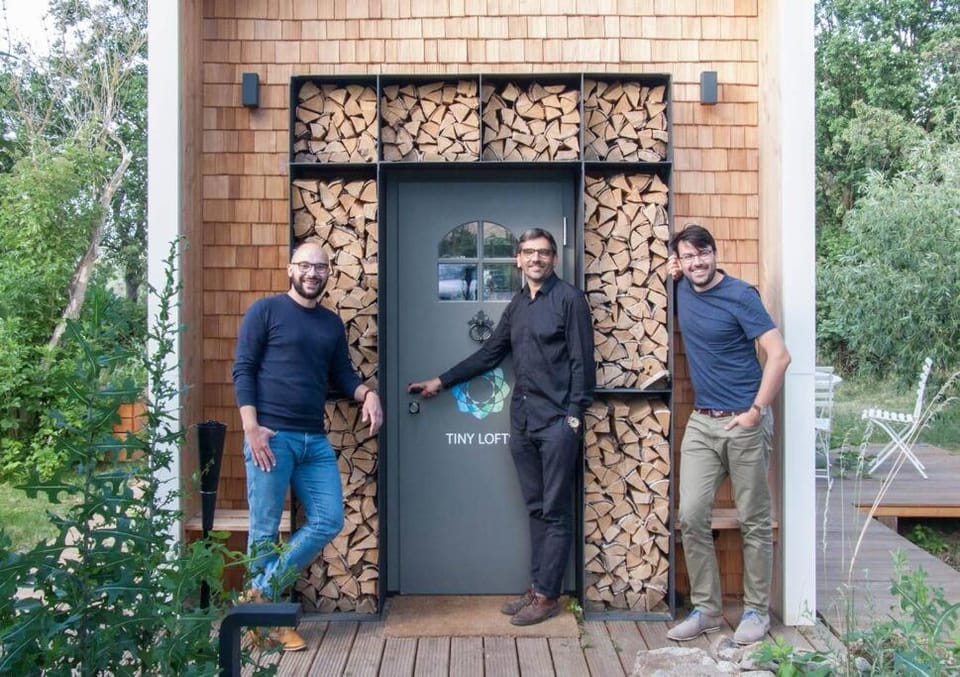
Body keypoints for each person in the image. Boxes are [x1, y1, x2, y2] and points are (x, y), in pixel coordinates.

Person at [408, 228, 595, 626]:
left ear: (554, 260)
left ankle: (547, 597)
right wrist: (441, 381)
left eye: (544, 253)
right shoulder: (519, 304)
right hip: (524, 421)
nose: (536, 259)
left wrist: (574, 417)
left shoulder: (569, 300)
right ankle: (537, 586)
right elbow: (491, 353)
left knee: (556, 511)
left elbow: (582, 363)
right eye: (529, 253)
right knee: (535, 507)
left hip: (558, 422)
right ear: (518, 259)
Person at [232, 242, 383, 651]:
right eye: (305, 266)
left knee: (329, 520)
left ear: (329, 272)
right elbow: (243, 369)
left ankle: (257, 598)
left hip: (313, 440)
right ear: (290, 270)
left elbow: (341, 374)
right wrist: (251, 428)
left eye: (321, 266)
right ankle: (270, 624)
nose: (313, 273)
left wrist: (366, 393)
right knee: (264, 532)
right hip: (271, 438)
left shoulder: (332, 325)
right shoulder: (265, 311)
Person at [665, 224, 791, 645]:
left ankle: (756, 612)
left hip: (744, 421)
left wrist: (757, 411)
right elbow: (669, 276)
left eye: (703, 254)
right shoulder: (680, 286)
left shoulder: (741, 295)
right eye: (688, 256)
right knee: (691, 515)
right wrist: (670, 272)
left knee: (753, 519)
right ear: (679, 261)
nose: (697, 262)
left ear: (714, 254)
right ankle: (707, 610)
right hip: (702, 421)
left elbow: (779, 355)